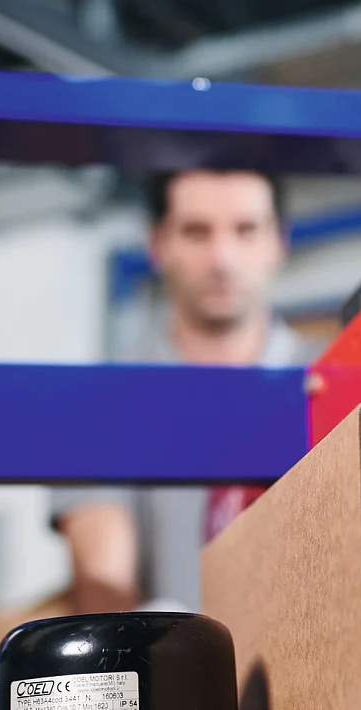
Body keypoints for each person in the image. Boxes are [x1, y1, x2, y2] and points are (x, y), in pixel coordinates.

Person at [52, 169, 314, 614]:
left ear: (279, 241)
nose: (222, 259)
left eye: (246, 230)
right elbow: (105, 584)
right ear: (157, 244)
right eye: (196, 232)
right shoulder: (103, 401)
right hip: (173, 657)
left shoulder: (337, 385)